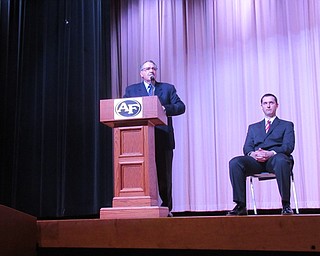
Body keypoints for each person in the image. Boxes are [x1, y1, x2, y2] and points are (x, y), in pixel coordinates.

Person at [123, 60, 185, 215]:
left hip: (163, 138)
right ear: (141, 73)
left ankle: (166, 207)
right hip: (139, 141)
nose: (151, 71)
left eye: (153, 68)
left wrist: (164, 108)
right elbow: (121, 108)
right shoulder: (131, 91)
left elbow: (180, 107)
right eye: (148, 68)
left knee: (164, 176)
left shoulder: (167, 89)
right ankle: (142, 206)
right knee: (142, 174)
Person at [227, 93, 295, 216]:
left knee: (281, 160)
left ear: (276, 105)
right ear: (261, 106)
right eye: (265, 103)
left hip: (275, 159)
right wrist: (252, 154)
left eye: (271, 103)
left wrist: (271, 153)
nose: (268, 106)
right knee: (235, 162)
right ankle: (240, 205)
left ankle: (286, 204)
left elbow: (288, 146)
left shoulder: (286, 125)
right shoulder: (253, 127)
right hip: (256, 161)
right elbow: (247, 147)